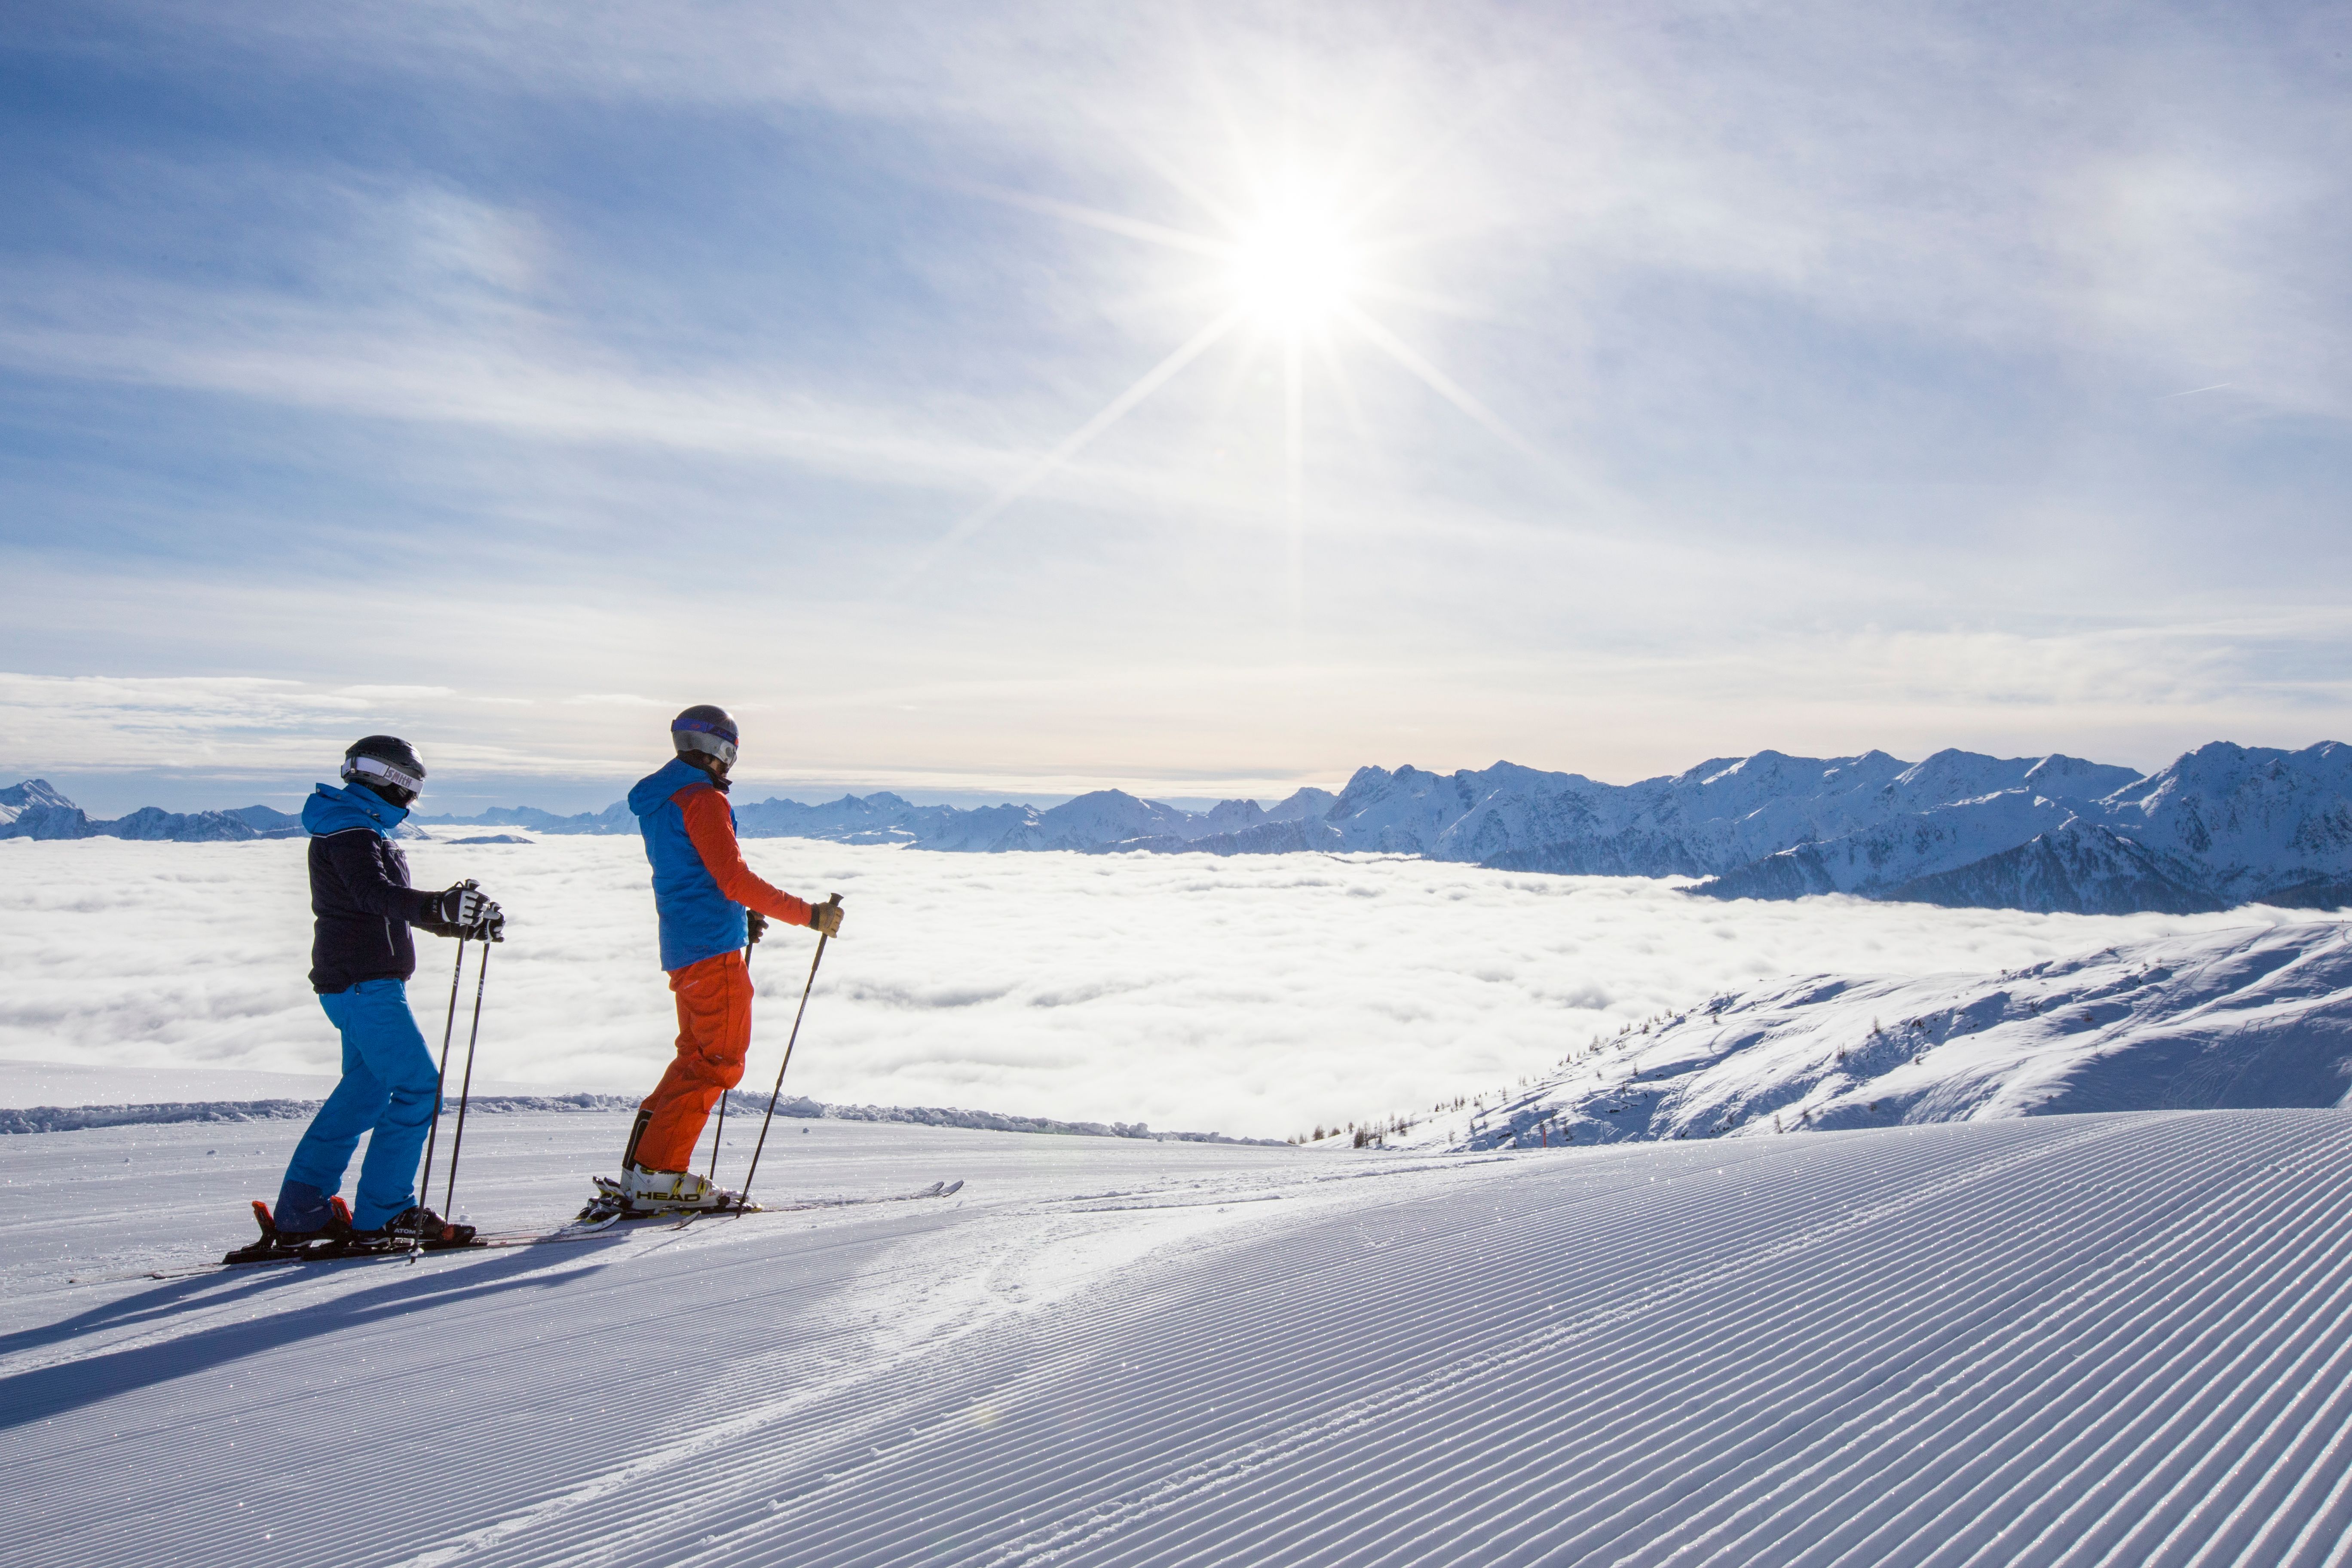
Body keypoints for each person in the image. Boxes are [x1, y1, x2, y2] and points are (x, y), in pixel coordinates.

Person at [267, 735, 503, 1250]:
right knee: (419, 1089)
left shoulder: (352, 825)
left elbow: (378, 905)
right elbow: (373, 895)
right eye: (412, 787)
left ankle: (302, 1212)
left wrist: (454, 920)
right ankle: (385, 1213)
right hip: (366, 987)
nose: (413, 799)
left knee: (363, 1096)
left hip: (353, 983)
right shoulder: (352, 831)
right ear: (393, 780)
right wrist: (442, 909)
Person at [610, 704, 841, 1210]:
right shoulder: (702, 800)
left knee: (694, 1057)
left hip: (686, 946)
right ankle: (661, 1176)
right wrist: (811, 916)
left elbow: (697, 875)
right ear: (720, 749)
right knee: (720, 1061)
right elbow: (733, 879)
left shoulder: (662, 799)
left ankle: (644, 1169)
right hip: (712, 951)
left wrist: (740, 916)